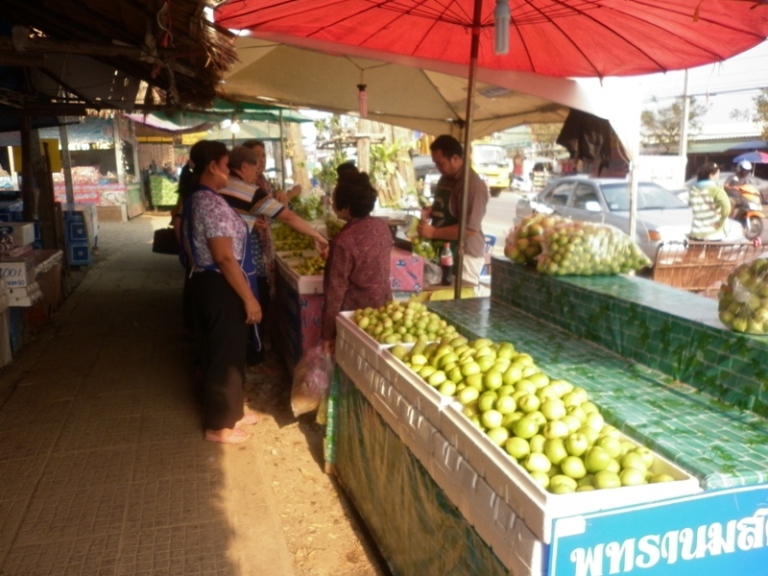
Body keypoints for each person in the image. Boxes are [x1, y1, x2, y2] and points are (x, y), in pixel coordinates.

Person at [179, 140, 262, 444]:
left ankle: (233, 412)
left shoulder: (199, 199)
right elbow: (224, 257)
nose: (230, 172)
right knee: (222, 354)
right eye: (227, 166)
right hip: (218, 282)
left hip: (208, 281)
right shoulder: (209, 203)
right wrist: (249, 298)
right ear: (213, 166)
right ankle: (218, 425)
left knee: (231, 349)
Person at [219, 146, 328, 365]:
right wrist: (318, 236)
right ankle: (246, 358)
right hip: (233, 256)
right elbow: (288, 217)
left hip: (216, 259)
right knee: (245, 307)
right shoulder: (249, 191)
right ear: (243, 167)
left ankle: (235, 357)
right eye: (254, 169)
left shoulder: (219, 186)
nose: (256, 175)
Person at [320, 171, 393, 354]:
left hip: (355, 319)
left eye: (334, 199)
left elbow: (334, 293)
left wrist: (327, 335)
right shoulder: (381, 227)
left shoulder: (342, 242)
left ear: (345, 206)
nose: (332, 203)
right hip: (384, 313)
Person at [417, 134, 489, 289]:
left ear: (455, 158)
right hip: (443, 251)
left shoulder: (473, 186)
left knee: (460, 303)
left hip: (465, 255)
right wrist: (430, 212)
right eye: (435, 163)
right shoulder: (445, 178)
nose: (438, 167)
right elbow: (444, 207)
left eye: (440, 163)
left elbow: (470, 228)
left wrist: (433, 233)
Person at [688, 162, 731, 241]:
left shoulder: (692, 190)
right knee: (713, 253)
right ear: (711, 175)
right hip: (714, 232)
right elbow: (727, 207)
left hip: (697, 232)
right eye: (718, 174)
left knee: (695, 253)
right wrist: (721, 222)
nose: (718, 176)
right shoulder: (716, 190)